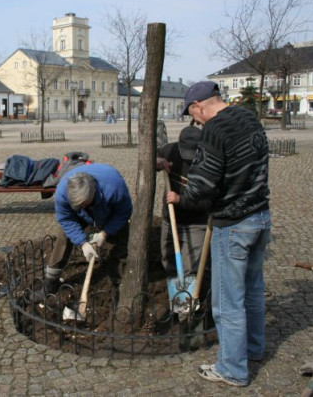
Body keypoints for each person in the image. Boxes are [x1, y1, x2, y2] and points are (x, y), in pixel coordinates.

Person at [168, 81, 271, 387]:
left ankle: (232, 369)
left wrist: (183, 196)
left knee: (228, 302)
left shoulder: (214, 130)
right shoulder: (249, 116)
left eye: (192, 115)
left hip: (233, 223)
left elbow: (201, 187)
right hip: (261, 216)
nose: (194, 121)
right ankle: (254, 349)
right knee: (253, 290)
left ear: (198, 106)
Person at [32, 163, 133, 301]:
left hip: (108, 209)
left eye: (85, 203)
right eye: (79, 205)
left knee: (120, 241)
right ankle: (50, 282)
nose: (83, 207)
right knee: (63, 238)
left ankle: (120, 283)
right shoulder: (62, 193)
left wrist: (105, 233)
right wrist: (83, 243)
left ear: (94, 192)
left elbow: (124, 212)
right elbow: (66, 219)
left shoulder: (114, 188)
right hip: (79, 212)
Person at [156, 124, 210, 284]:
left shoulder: (209, 163)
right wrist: (158, 161)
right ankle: (175, 293)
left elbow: (207, 203)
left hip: (196, 222)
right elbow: (153, 154)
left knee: (192, 264)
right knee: (168, 258)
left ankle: (190, 299)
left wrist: (180, 199)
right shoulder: (171, 150)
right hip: (170, 218)